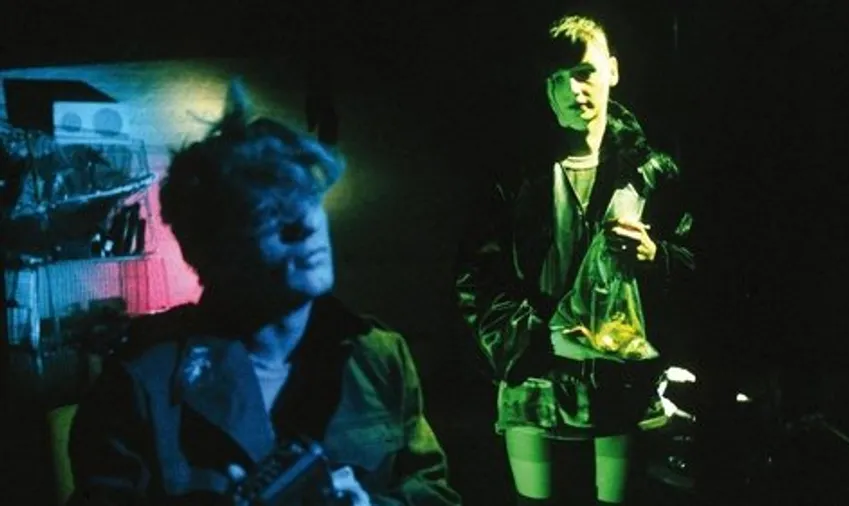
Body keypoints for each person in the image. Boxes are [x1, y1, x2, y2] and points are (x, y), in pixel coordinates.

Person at [66, 80, 462, 506]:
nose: (306, 225)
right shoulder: (140, 383)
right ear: (210, 250)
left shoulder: (379, 356)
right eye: (269, 213)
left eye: (308, 198)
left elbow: (433, 492)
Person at [455, 12, 695, 506]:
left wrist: (657, 256)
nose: (572, 90)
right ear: (545, 89)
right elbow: (476, 279)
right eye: (557, 78)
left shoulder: (653, 171)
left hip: (620, 379)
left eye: (584, 72)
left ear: (612, 71)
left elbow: (702, 265)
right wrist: (538, 339)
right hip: (534, 378)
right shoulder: (513, 176)